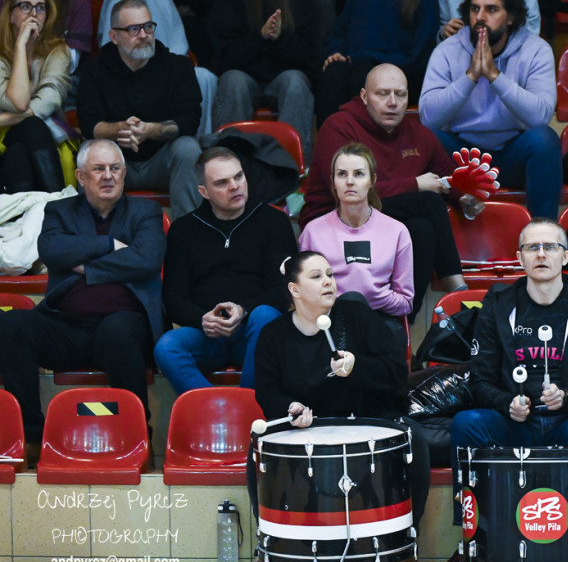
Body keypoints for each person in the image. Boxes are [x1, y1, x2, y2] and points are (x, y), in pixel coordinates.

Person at [445, 218, 568, 562]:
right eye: (533, 247)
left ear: (566, 256)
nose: (542, 254)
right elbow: (479, 379)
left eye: (550, 247)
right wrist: (506, 403)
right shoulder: (498, 305)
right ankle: (471, 539)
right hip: (515, 424)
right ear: (520, 258)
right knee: (467, 424)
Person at [251, 250, 428, 562]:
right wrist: (289, 408)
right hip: (308, 425)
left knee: (414, 438)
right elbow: (268, 391)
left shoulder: (357, 317)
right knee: (259, 445)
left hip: (368, 417)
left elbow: (395, 372)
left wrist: (357, 367)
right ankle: (271, 547)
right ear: (295, 289)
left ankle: (402, 545)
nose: (328, 282)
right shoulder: (273, 334)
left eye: (330, 275)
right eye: (316, 277)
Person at [0, 139, 165, 461]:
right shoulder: (58, 210)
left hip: (126, 328)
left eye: (115, 168)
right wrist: (112, 246)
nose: (108, 176)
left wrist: (85, 265)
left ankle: (136, 435)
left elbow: (147, 260)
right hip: (66, 328)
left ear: (125, 173)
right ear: (80, 176)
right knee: (11, 324)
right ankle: (31, 436)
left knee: (117, 329)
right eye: (98, 169)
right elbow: (52, 251)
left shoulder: (146, 210)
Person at [302, 63, 477, 318]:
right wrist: (416, 184)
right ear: (364, 97)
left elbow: (449, 176)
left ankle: (402, 323)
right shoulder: (339, 127)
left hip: (382, 222)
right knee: (428, 201)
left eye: (401, 94)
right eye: (382, 94)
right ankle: (458, 290)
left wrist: (466, 198)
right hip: (333, 218)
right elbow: (344, 191)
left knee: (423, 230)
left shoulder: (418, 134)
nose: (393, 102)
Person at [156, 147, 298, 395]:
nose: (235, 186)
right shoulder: (184, 230)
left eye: (239, 177)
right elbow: (173, 299)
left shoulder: (273, 221)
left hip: (256, 333)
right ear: (204, 192)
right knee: (167, 347)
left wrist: (243, 310)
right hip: (206, 334)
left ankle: (251, 411)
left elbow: (284, 290)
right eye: (222, 183)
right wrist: (204, 318)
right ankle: (216, 410)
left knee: (265, 315)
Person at [419, 0, 559, 219]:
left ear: (511, 17)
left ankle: (543, 233)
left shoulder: (536, 50)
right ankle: (433, 230)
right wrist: (471, 76)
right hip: (462, 157)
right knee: (426, 138)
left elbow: (541, 116)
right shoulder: (447, 50)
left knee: (544, 140)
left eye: (491, 9)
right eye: (475, 9)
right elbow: (428, 117)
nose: (480, 17)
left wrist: (494, 76)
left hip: (512, 154)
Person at [77, 0, 202, 220]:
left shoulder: (178, 67)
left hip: (163, 164)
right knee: (89, 151)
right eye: (134, 29)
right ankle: (93, 235)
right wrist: (120, 129)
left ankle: (188, 233)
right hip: (115, 164)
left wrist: (150, 130)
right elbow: (88, 124)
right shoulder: (93, 71)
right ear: (114, 36)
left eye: (148, 27)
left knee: (188, 148)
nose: (144, 35)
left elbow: (190, 120)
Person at [99, 0, 218, 135]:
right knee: (203, 79)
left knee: (205, 79)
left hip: (169, 69)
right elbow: (112, 42)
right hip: (142, 73)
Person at [315, 0, 439, 127]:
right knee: (333, 73)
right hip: (356, 65)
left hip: (397, 73)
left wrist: (365, 59)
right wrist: (335, 51)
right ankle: (330, 147)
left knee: (362, 77)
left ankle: (365, 150)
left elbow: (419, 58)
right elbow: (340, 28)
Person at [209, 0, 317, 159]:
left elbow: (310, 55)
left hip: (283, 79)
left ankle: (293, 170)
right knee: (233, 80)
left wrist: (280, 39)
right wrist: (259, 37)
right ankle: (230, 165)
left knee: (296, 81)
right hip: (244, 77)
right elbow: (223, 58)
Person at [298, 142, 414, 324]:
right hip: (330, 323)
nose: (349, 181)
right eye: (342, 174)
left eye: (359, 174)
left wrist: (369, 295)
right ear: (333, 181)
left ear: (372, 181)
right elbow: (303, 296)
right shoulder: (313, 232)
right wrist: (344, 299)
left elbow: (406, 303)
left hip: (378, 323)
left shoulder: (397, 231)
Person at [0, 0, 70, 193]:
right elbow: (17, 101)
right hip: (4, 135)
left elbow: (46, 101)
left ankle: (18, 220)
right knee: (31, 129)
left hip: (45, 132)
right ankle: (60, 205)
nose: (33, 13)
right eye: (25, 6)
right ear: (11, 16)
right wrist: (21, 45)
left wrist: (7, 118)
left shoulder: (58, 51)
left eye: (41, 8)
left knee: (21, 148)